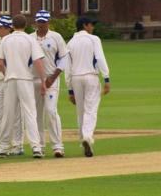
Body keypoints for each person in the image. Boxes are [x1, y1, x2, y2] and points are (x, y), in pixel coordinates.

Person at [0, 14, 46, 158]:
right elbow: (38, 62)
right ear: (26, 25)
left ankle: (3, 148)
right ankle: (36, 147)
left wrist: (7, 74)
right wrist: (43, 81)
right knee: (30, 113)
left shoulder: (5, 40)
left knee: (8, 114)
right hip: (25, 79)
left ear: (12, 25)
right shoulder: (30, 39)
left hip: (10, 80)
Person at [65, 17, 111, 157]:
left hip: (75, 78)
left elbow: (67, 67)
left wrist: (69, 89)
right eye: (91, 24)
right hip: (91, 76)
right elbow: (100, 58)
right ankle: (87, 136)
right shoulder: (94, 39)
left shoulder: (70, 43)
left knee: (81, 111)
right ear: (85, 25)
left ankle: (84, 139)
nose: (93, 27)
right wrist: (106, 78)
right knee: (91, 109)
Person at [30, 10, 69, 158]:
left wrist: (53, 77)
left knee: (51, 111)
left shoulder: (56, 37)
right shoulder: (30, 38)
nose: (41, 24)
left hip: (51, 78)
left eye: (44, 21)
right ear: (36, 22)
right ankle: (39, 146)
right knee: (36, 114)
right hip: (34, 80)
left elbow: (64, 58)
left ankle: (58, 146)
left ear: (48, 22)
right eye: (39, 21)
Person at [0, 16, 24, 155]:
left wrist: (1, 67)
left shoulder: (14, 42)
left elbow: (13, 62)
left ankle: (18, 145)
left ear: (9, 28)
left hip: (12, 81)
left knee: (15, 114)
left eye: (0, 27)